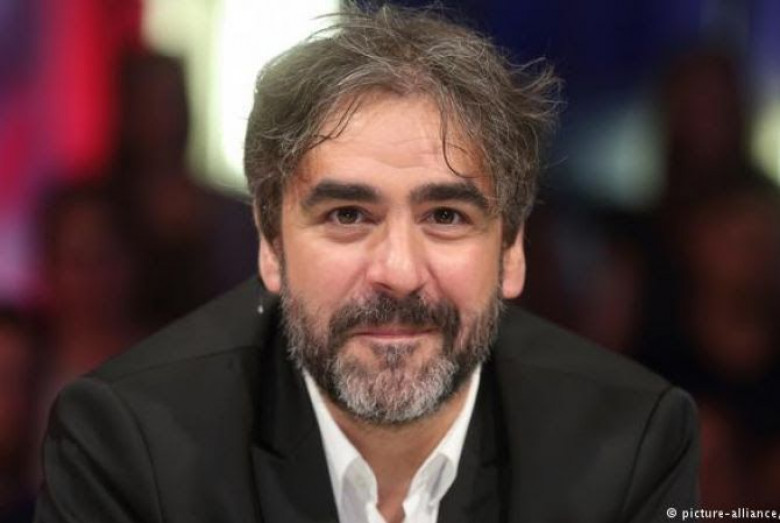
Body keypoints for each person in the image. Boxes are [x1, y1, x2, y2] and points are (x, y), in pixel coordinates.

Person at [34, 5, 699, 522]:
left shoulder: (627, 442)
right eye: (348, 215)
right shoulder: (129, 444)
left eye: (446, 216)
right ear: (271, 245)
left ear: (512, 250)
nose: (399, 272)